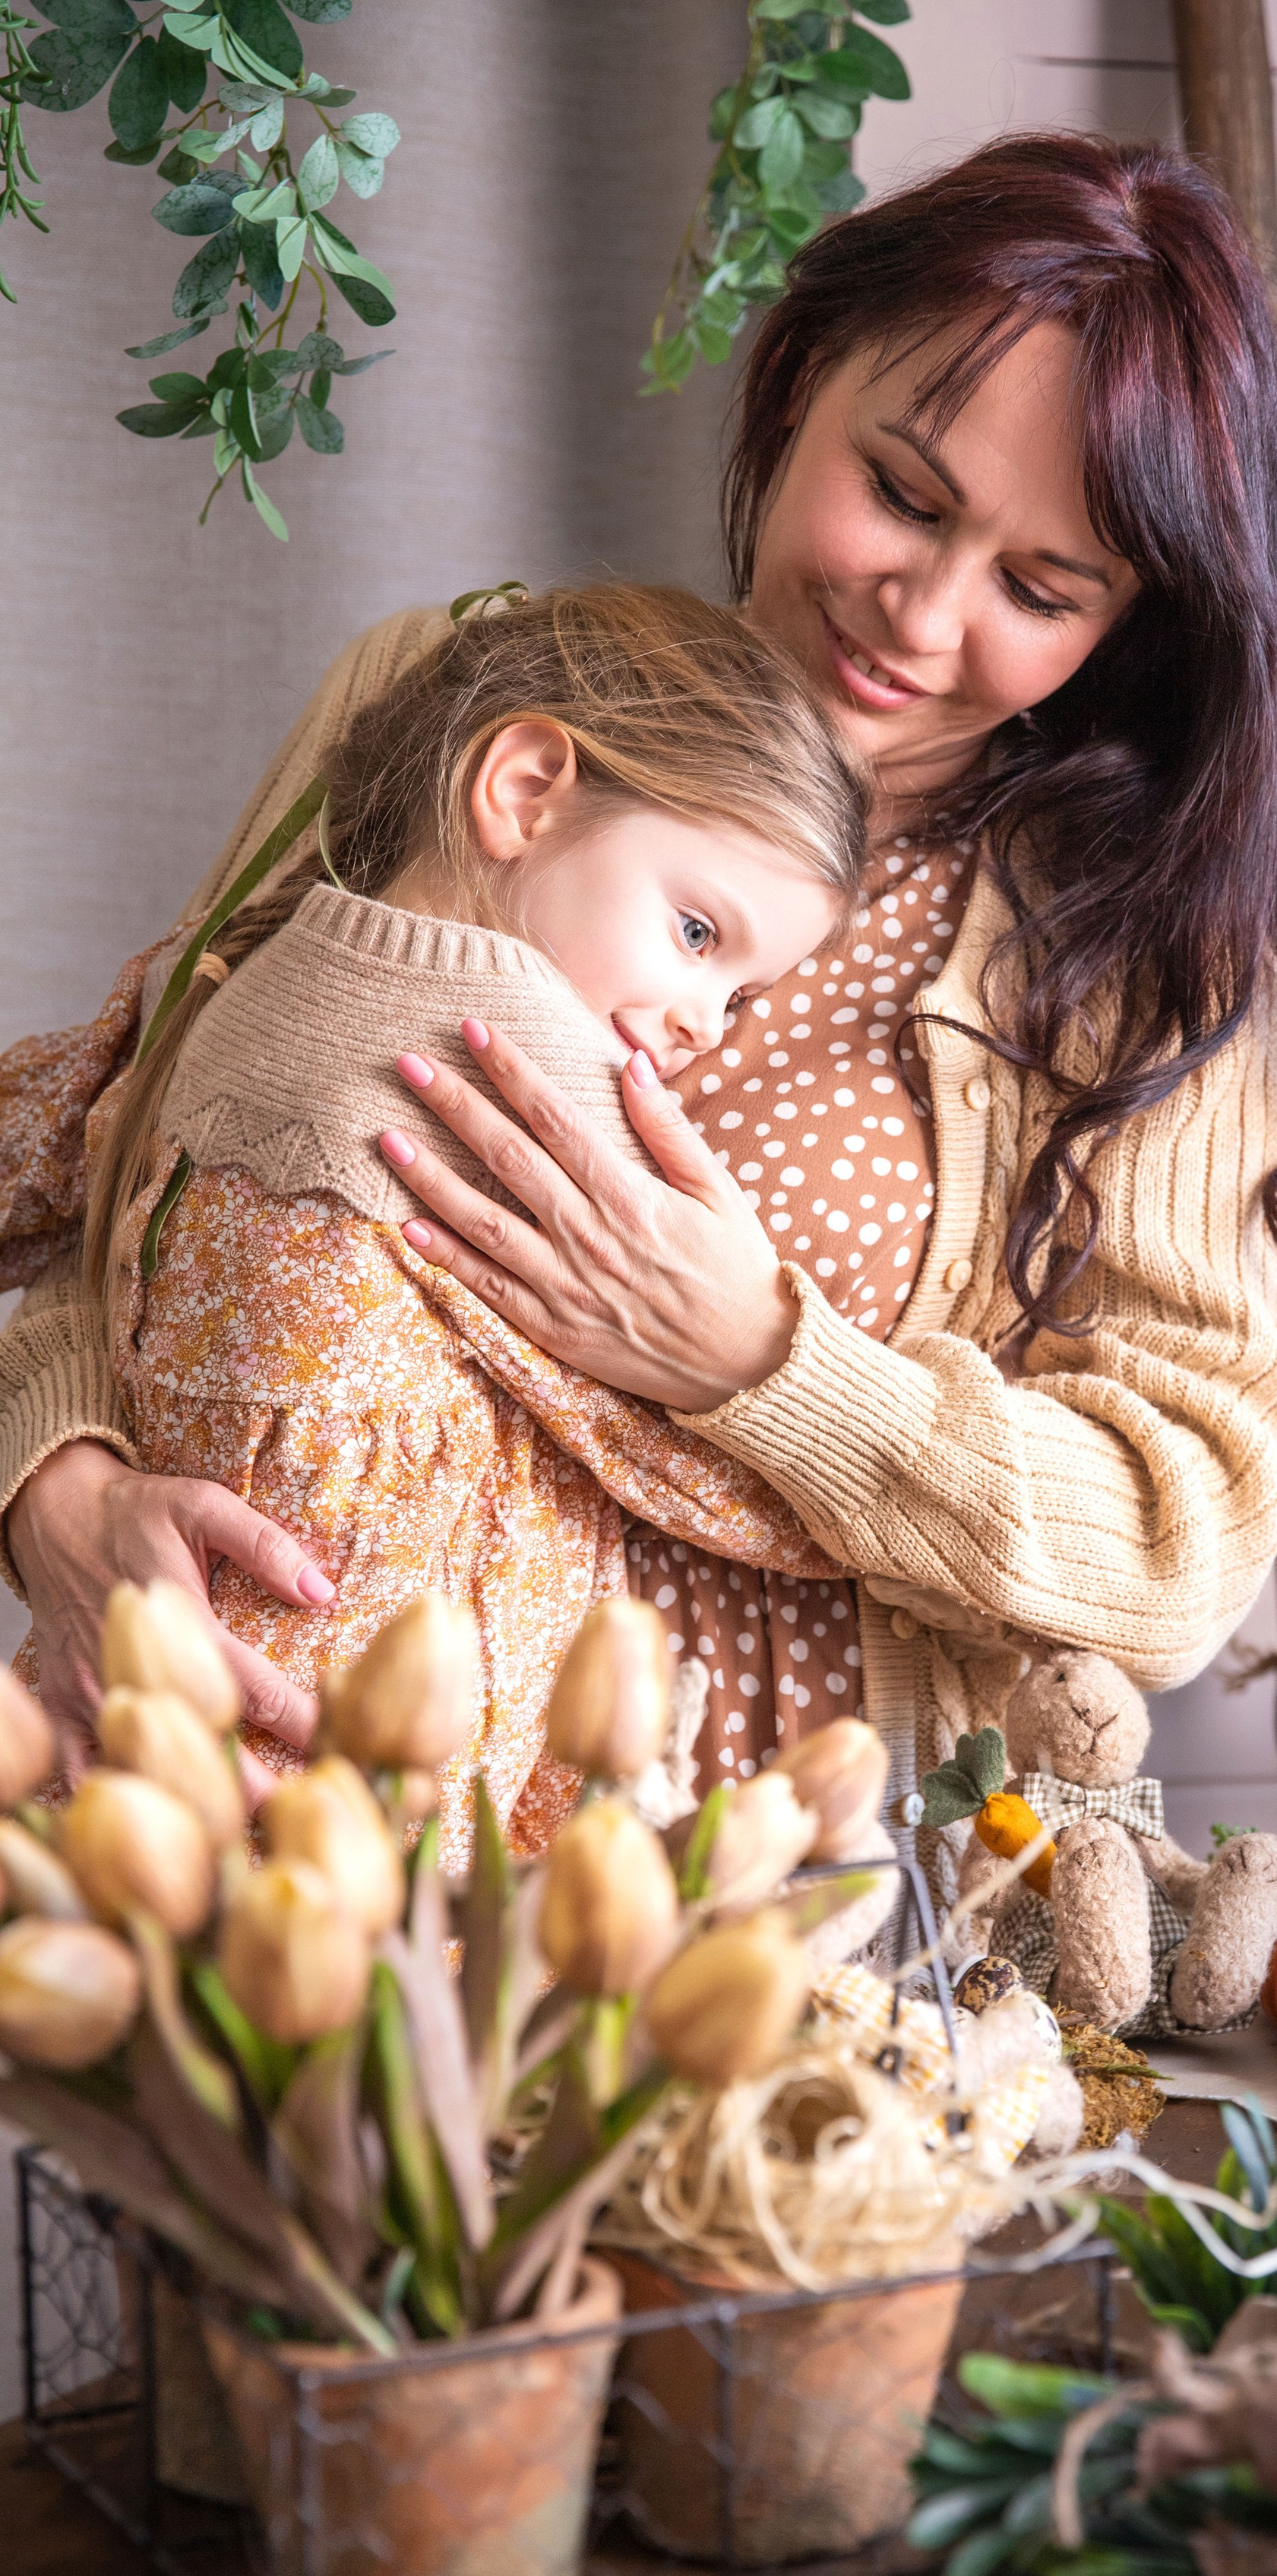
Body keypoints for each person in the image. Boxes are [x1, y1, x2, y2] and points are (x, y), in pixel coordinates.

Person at [0, 129, 1277, 1869]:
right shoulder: (453, 694)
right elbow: (161, 1152)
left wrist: (769, 1367)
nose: (923, 616)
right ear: (796, 381)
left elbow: (1189, 1535)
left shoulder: (1147, 952)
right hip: (270, 1844)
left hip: (774, 1914)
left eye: (1040, 590)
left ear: (1128, 623)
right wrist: (58, 1486)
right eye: (903, 494)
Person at [84, 584, 865, 1853]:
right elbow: (735, 1489)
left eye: (742, 995)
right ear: (524, 790)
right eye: (696, 932)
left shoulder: (239, 967)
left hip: (123, 1766)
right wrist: (820, 1432)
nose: (702, 1026)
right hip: (324, 1829)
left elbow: (50, 1145)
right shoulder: (540, 1095)